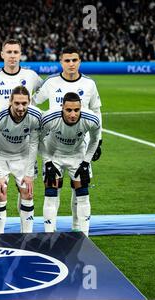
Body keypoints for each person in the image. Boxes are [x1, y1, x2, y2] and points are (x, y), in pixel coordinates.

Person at [33, 46, 103, 231]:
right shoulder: (51, 83)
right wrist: (46, 121)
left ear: (79, 61)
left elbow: (96, 110)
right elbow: (34, 103)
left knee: (78, 186)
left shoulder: (89, 84)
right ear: (61, 62)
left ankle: (78, 229)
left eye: (74, 60)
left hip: (80, 144)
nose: (71, 64)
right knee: (52, 188)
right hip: (54, 145)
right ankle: (50, 233)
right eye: (67, 60)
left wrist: (99, 140)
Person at [40, 92, 100, 236]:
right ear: (62, 107)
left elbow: (94, 141)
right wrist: (47, 162)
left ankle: (84, 235)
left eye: (76, 110)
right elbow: (38, 139)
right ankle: (49, 234)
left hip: (77, 155)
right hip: (54, 154)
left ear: (81, 108)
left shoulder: (91, 119)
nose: (73, 114)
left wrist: (86, 162)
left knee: (83, 193)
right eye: (69, 110)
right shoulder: (49, 118)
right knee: (50, 193)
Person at [0, 86, 42, 233]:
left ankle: (27, 234)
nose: (20, 107)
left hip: (23, 156)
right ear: (10, 102)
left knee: (28, 192)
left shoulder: (35, 116)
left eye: (24, 103)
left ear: (29, 102)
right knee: (0, 192)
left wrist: (29, 174)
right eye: (17, 103)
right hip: (1, 155)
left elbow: (33, 144)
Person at [0, 39, 43, 115]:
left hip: (25, 124)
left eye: (16, 52)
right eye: (9, 52)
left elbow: (46, 89)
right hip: (0, 125)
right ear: (2, 55)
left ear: (20, 55)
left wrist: (32, 101)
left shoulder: (31, 75)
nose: (12, 56)